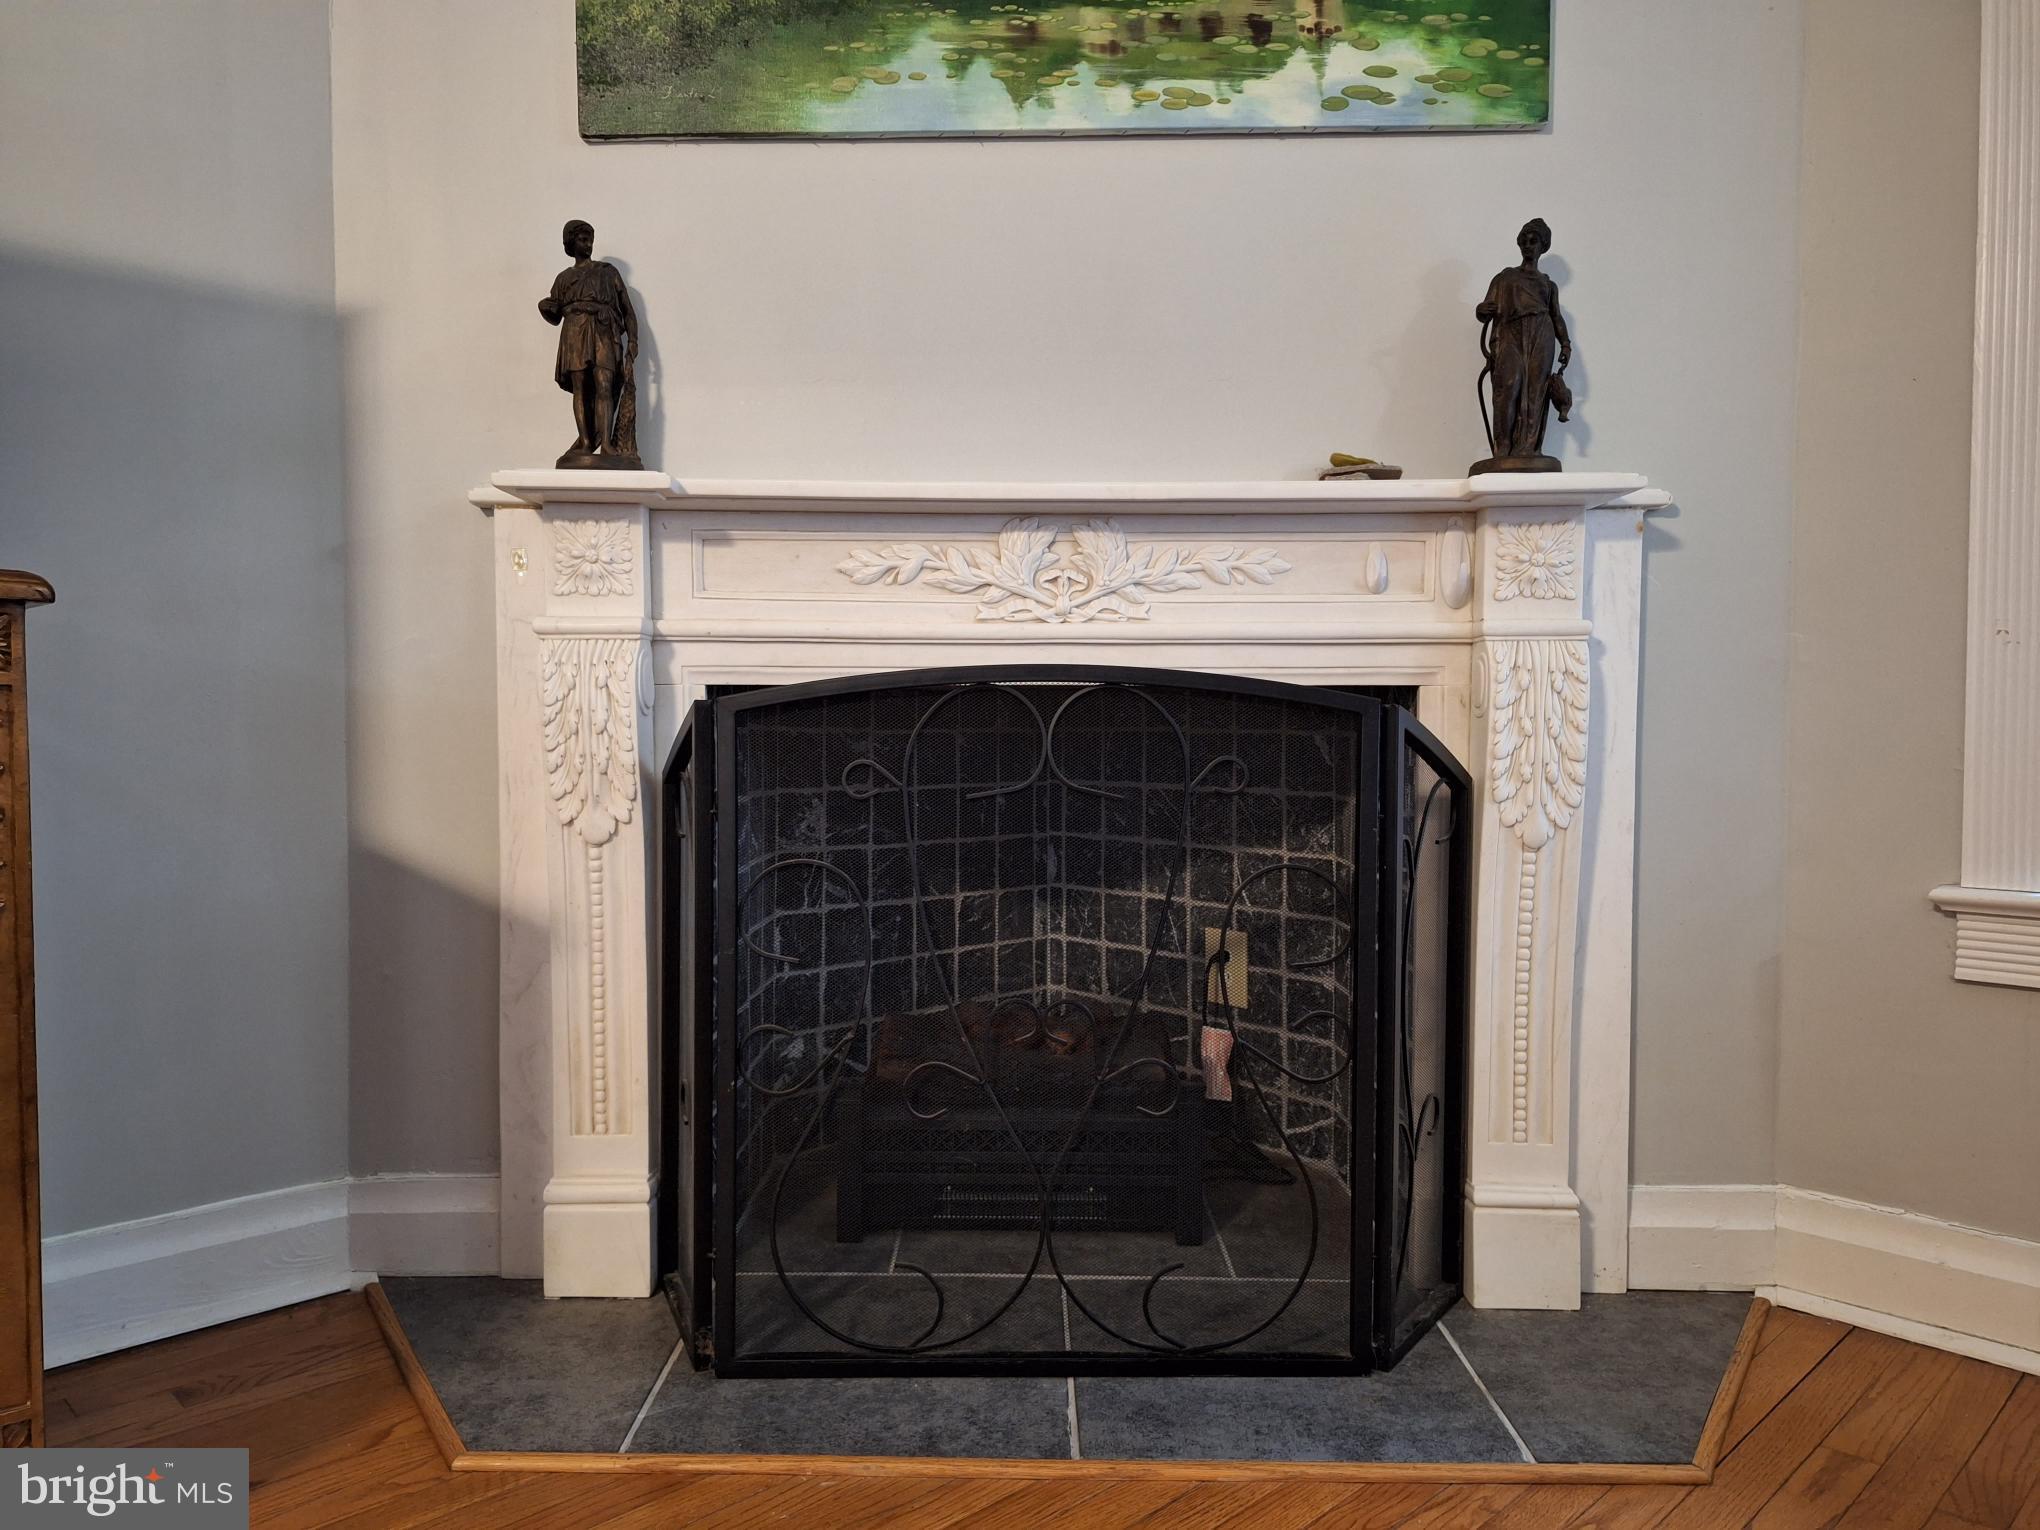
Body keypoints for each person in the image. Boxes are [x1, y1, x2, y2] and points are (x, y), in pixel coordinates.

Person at [538, 219, 641, 468]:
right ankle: (585, 442)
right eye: (583, 240)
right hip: (575, 331)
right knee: (581, 388)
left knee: (605, 384)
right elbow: (553, 311)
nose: (589, 244)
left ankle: (606, 442)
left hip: (604, 330)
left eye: (590, 239)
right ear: (571, 244)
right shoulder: (564, 278)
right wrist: (545, 306)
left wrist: (634, 340)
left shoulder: (607, 272)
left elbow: (627, 309)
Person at [1473, 217, 1571, 472]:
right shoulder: (1505, 278)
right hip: (1510, 333)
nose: (1528, 246)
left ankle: (1527, 448)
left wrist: (1566, 344)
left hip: (1542, 333)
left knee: (1535, 391)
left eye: (1534, 241)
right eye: (1524, 241)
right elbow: (1486, 309)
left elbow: (1556, 316)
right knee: (1507, 387)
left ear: (1543, 245)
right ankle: (1502, 448)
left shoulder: (1548, 284)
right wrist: (1482, 309)